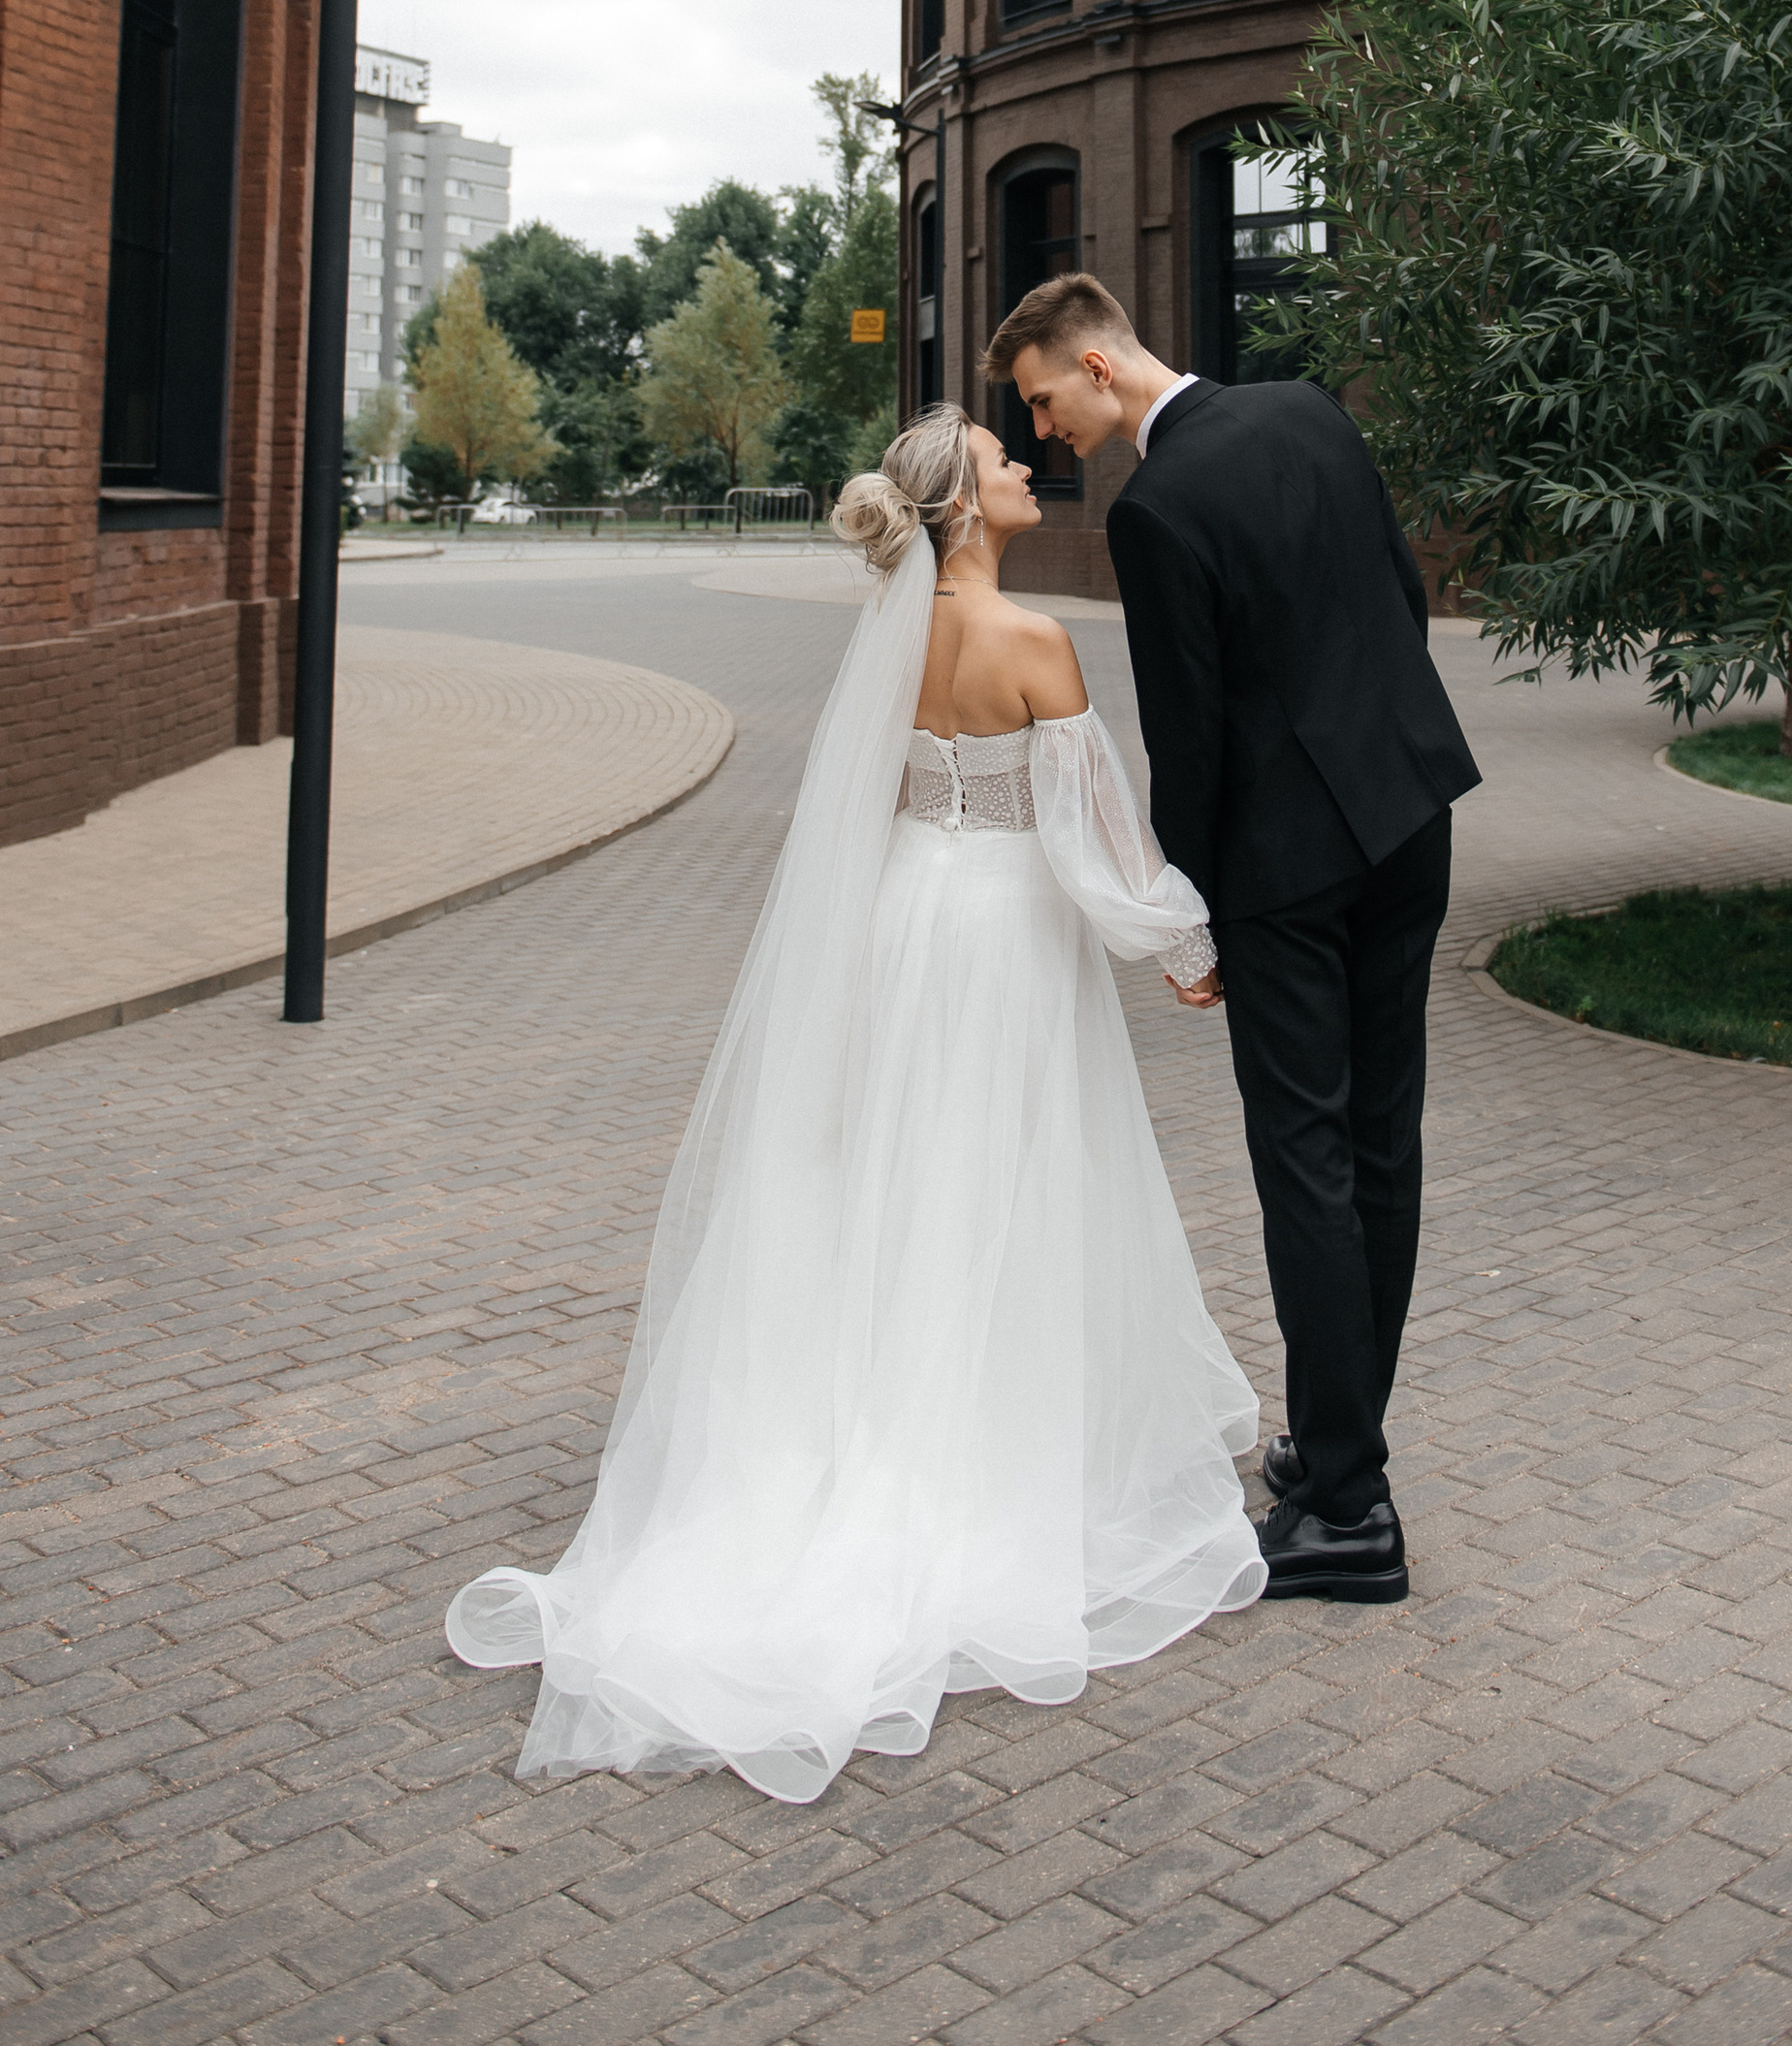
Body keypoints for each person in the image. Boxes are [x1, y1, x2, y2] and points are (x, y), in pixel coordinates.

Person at [445, 406, 1264, 1805]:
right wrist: (1187, 948)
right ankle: (990, 1456)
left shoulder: (893, 645)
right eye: (1004, 462)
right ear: (963, 510)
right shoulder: (1032, 645)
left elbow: (870, 811)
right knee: (1000, 1178)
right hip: (1004, 944)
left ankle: (868, 1417)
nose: (1024, 469)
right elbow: (1091, 841)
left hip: (905, 925)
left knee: (899, 1179)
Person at [988, 275, 1480, 1607]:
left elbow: (1190, 741)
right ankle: (1334, 1464)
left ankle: (1352, 1512)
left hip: (1287, 872)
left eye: (1041, 400)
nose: (1042, 435)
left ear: (1097, 364)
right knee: (1384, 1145)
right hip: (1411, 815)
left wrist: (1185, 915)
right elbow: (1401, 594)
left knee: (1307, 1162)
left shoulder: (1156, 508)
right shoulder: (1313, 412)